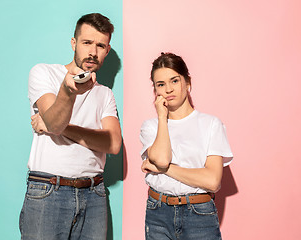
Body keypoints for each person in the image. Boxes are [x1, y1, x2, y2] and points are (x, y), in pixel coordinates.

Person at [19, 13, 122, 240]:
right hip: (48, 189)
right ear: (74, 43)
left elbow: (113, 144)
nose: (93, 52)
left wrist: (57, 127)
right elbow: (55, 121)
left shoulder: (105, 94)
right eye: (87, 43)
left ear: (107, 50)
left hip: (93, 193)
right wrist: (67, 92)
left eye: (100, 45)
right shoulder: (44, 73)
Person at [140, 52, 233, 240]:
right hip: (158, 211)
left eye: (174, 81)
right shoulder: (151, 127)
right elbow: (162, 158)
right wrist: (161, 117)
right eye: (160, 84)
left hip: (199, 213)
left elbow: (212, 181)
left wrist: (163, 170)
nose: (168, 89)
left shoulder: (211, 124)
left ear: (187, 82)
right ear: (155, 91)